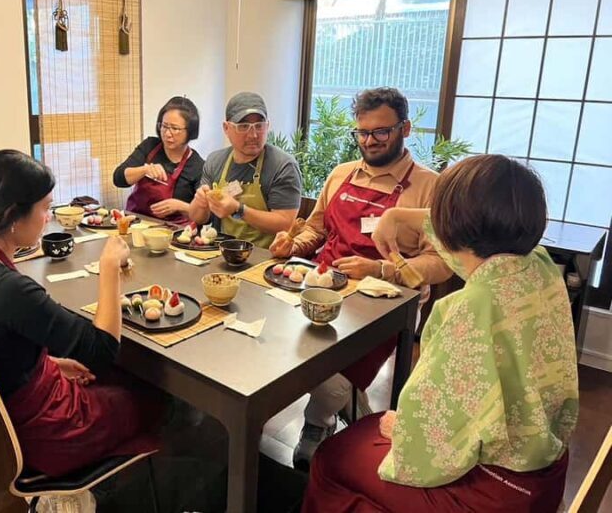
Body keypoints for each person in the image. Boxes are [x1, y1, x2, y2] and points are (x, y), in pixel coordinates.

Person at [302, 155, 578, 513]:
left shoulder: (470, 309)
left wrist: (401, 430)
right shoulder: (537, 265)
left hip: (496, 490)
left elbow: (430, 440)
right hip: (545, 466)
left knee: (331, 459)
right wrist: (397, 215)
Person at [0, 150, 162, 479]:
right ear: (12, 216)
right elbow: (102, 350)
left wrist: (48, 364)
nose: (48, 217)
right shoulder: (8, 289)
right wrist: (109, 269)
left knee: (116, 381)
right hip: (43, 437)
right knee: (154, 396)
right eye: (46, 208)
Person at [269, 87, 451, 469]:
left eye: (380, 132)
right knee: (283, 348)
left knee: (328, 375)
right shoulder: (341, 175)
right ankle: (356, 410)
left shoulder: (429, 186)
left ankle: (317, 424)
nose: (369, 141)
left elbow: (442, 263)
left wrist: (382, 269)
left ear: (406, 128)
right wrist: (292, 245)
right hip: (323, 289)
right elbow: (316, 231)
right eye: (362, 133)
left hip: (388, 306)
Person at [188, 92, 301, 248]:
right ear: (226, 128)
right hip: (220, 250)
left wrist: (238, 209)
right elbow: (198, 217)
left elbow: (285, 223)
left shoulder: (283, 166)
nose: (253, 134)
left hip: (266, 258)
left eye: (259, 126)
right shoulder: (215, 161)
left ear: (267, 126)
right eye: (243, 126)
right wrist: (200, 202)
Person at [115, 96, 204, 223]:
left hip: (174, 232)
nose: (167, 133)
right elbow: (118, 178)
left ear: (190, 131)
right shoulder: (150, 146)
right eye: (164, 126)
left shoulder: (197, 165)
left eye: (175, 128)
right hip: (137, 224)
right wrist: (144, 170)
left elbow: (204, 216)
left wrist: (180, 206)